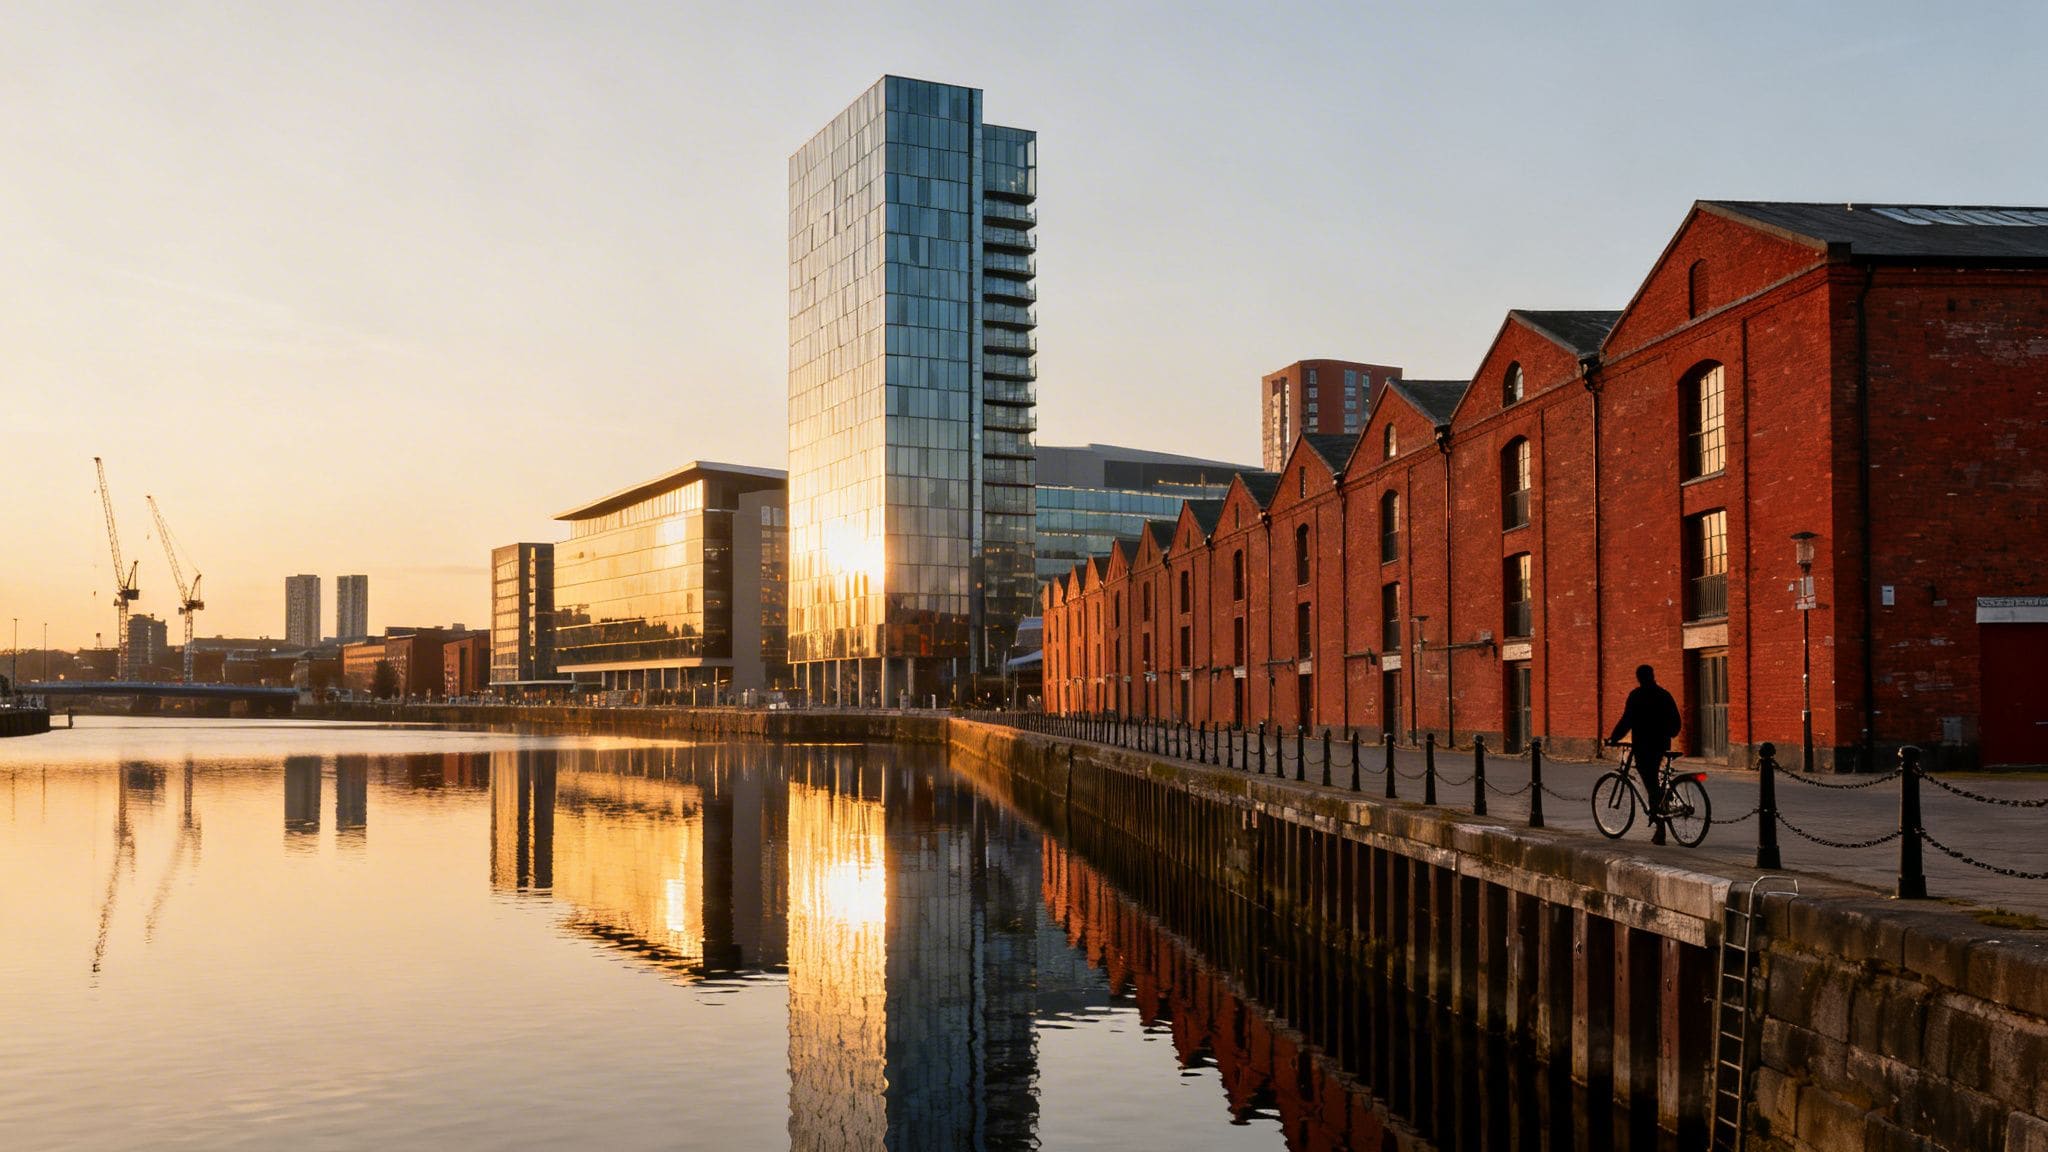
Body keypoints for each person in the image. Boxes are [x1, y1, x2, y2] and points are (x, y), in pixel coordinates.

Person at [1609, 664, 1682, 844]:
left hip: (1643, 746)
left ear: (1639, 678)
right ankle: (1663, 803)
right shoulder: (1664, 694)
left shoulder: (1637, 696)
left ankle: (1660, 826)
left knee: (1650, 783)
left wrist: (1614, 738)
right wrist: (1668, 734)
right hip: (1661, 745)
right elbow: (1676, 722)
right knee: (1654, 780)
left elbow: (1626, 720)